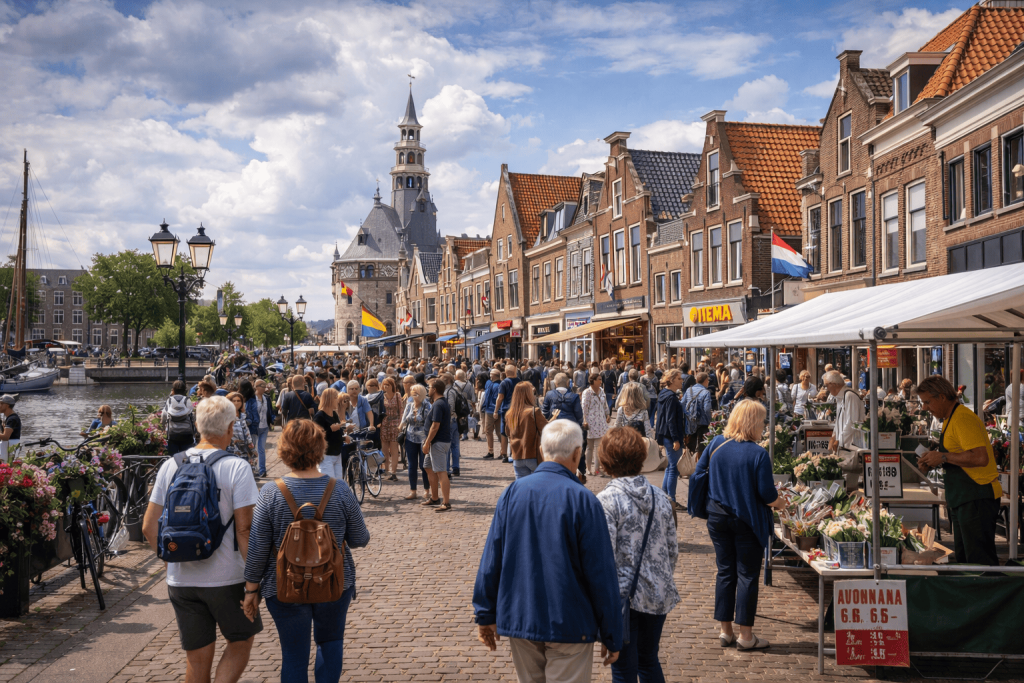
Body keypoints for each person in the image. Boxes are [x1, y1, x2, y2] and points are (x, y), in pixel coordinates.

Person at [473, 419, 622, 681]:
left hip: (523, 616)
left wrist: (485, 612)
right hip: (571, 620)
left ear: (542, 452)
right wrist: (612, 633)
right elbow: (601, 573)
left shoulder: (513, 492)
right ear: (578, 454)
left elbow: (492, 557)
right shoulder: (583, 500)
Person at [142, 396, 262, 683]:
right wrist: (253, 585)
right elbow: (245, 530)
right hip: (227, 578)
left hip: (181, 581)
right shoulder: (236, 467)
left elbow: (148, 527)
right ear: (231, 428)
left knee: (196, 660)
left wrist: (174, 560)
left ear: (197, 425)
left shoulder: (171, 465)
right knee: (241, 641)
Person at [242, 419, 370, 683]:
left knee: (293, 654)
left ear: (285, 450)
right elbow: (360, 539)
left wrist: (251, 591)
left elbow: (257, 549)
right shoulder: (340, 489)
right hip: (334, 581)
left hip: (284, 585)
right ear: (320, 448)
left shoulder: (270, 493)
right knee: (330, 642)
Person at [696, 400, 785, 650]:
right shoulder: (758, 454)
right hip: (747, 520)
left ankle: (725, 631)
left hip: (717, 517)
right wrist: (782, 504)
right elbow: (768, 495)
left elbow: (698, 472)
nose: (765, 425)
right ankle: (746, 636)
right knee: (747, 574)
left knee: (725, 571)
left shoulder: (715, 444)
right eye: (763, 421)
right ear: (753, 423)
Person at [597, 427, 679, 682]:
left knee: (622, 667)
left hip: (623, 598)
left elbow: (604, 557)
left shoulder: (606, 500)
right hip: (657, 593)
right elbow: (672, 549)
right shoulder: (661, 497)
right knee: (649, 660)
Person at [917, 376, 1002, 566]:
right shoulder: (950, 418)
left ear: (942, 397)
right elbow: (960, 455)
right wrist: (934, 461)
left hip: (976, 497)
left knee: (979, 560)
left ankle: (986, 593)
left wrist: (943, 457)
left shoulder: (962, 418)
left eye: (927, 402)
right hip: (965, 498)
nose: (924, 407)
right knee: (966, 558)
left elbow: (980, 458)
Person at [655, 369, 687, 509]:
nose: (682, 381)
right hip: (671, 435)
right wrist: (676, 439)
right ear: (672, 380)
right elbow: (670, 420)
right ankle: (671, 500)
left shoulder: (664, 394)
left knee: (670, 467)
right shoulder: (671, 397)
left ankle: (665, 496)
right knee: (674, 468)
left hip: (666, 434)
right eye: (679, 379)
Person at [422, 379, 452, 512]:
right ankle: (435, 497)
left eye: (429, 387)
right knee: (428, 466)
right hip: (437, 441)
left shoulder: (439, 404)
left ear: (434, 389)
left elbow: (435, 425)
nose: (428, 390)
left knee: (441, 471)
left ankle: (446, 503)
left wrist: (427, 442)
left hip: (438, 442)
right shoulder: (439, 403)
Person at [507, 382, 548, 480]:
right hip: (533, 454)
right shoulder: (534, 411)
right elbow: (546, 430)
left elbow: (508, 433)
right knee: (538, 486)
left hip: (517, 455)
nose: (534, 396)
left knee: (522, 489)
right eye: (532, 393)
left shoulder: (510, 413)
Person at [822, 370, 864, 452]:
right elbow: (839, 421)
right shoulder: (840, 397)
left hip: (850, 447)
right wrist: (834, 437)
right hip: (844, 447)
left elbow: (852, 422)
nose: (827, 389)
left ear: (833, 384)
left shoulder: (849, 396)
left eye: (827, 385)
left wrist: (839, 441)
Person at [313, 388, 348, 481]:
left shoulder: (334, 414)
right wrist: (330, 430)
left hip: (337, 453)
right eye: (336, 397)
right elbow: (316, 435)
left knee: (338, 482)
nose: (338, 400)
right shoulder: (320, 416)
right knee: (328, 483)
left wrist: (344, 434)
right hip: (326, 455)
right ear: (329, 399)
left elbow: (338, 432)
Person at [582, 373, 610, 479]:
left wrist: (607, 414)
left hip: (601, 422)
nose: (601, 381)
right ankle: (589, 469)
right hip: (591, 423)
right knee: (589, 447)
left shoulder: (601, 391)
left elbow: (605, 404)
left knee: (598, 447)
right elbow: (584, 408)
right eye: (599, 379)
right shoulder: (587, 392)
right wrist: (585, 420)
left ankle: (597, 469)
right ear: (593, 381)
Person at [493, 365, 521, 463]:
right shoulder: (520, 382)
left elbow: (500, 397)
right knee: (516, 431)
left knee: (504, 432)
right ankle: (514, 452)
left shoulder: (504, 383)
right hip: (518, 409)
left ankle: (504, 453)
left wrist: (496, 410)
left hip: (506, 410)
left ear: (505, 372)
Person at [250, 380, 276, 477]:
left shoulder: (267, 398)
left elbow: (269, 411)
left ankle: (262, 470)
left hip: (264, 426)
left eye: (265, 385)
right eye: (262, 385)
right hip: (254, 427)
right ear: (256, 386)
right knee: (253, 449)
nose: (264, 387)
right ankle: (253, 469)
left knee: (261, 449)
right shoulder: (252, 399)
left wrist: (272, 421)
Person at [682, 372, 713, 453]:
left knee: (690, 443)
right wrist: (709, 420)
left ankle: (690, 460)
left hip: (690, 421)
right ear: (706, 380)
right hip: (702, 422)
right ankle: (699, 461)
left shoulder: (689, 390)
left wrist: (687, 414)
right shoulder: (706, 392)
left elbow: (682, 403)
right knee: (702, 445)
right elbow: (706, 409)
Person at [226, 392, 258, 471]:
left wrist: (251, 448)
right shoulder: (226, 416)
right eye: (233, 401)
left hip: (244, 447)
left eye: (238, 401)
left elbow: (247, 433)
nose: (236, 403)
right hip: (232, 448)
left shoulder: (243, 416)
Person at [379, 377, 403, 481]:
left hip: (395, 424)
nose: (385, 387)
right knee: (384, 450)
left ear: (392, 386)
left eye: (388, 385)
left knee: (394, 450)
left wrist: (401, 425)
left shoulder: (397, 396)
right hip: (384, 424)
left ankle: (393, 472)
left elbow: (401, 410)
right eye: (384, 385)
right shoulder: (381, 396)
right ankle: (386, 470)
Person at [480, 368, 502, 459]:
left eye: (491, 374)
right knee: (488, 431)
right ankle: (490, 451)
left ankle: (503, 451)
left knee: (499, 432)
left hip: (495, 410)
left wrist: (496, 410)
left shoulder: (499, 385)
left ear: (495, 375)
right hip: (488, 409)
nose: (490, 375)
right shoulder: (488, 383)